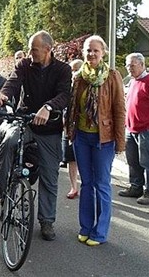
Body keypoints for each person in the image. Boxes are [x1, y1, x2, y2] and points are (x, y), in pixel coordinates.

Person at [0, 30, 71, 241]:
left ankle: (47, 221)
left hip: (50, 128)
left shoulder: (63, 70)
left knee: (50, 176)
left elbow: (64, 94)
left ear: (48, 49)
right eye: (30, 49)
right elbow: (13, 83)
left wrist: (48, 107)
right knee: (10, 139)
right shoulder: (24, 65)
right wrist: (3, 95)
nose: (31, 53)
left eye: (34, 49)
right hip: (25, 120)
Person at [66, 36, 126, 246]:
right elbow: (73, 108)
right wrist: (70, 132)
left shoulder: (112, 76)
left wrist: (120, 141)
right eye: (88, 50)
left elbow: (119, 109)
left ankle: (100, 232)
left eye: (95, 51)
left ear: (103, 53)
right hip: (81, 138)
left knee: (101, 184)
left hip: (104, 138)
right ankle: (85, 227)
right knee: (87, 183)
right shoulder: (79, 78)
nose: (91, 54)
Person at [119, 52, 149, 205]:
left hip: (147, 129)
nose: (129, 69)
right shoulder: (133, 82)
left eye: (132, 66)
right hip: (131, 128)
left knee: (148, 161)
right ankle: (136, 186)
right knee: (133, 160)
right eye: (128, 66)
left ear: (142, 64)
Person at [62, 59, 83, 199]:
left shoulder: (86, 86)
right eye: (72, 70)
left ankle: (84, 187)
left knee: (84, 160)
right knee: (71, 159)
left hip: (82, 128)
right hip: (68, 128)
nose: (73, 73)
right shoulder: (66, 86)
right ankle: (73, 187)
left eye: (76, 69)